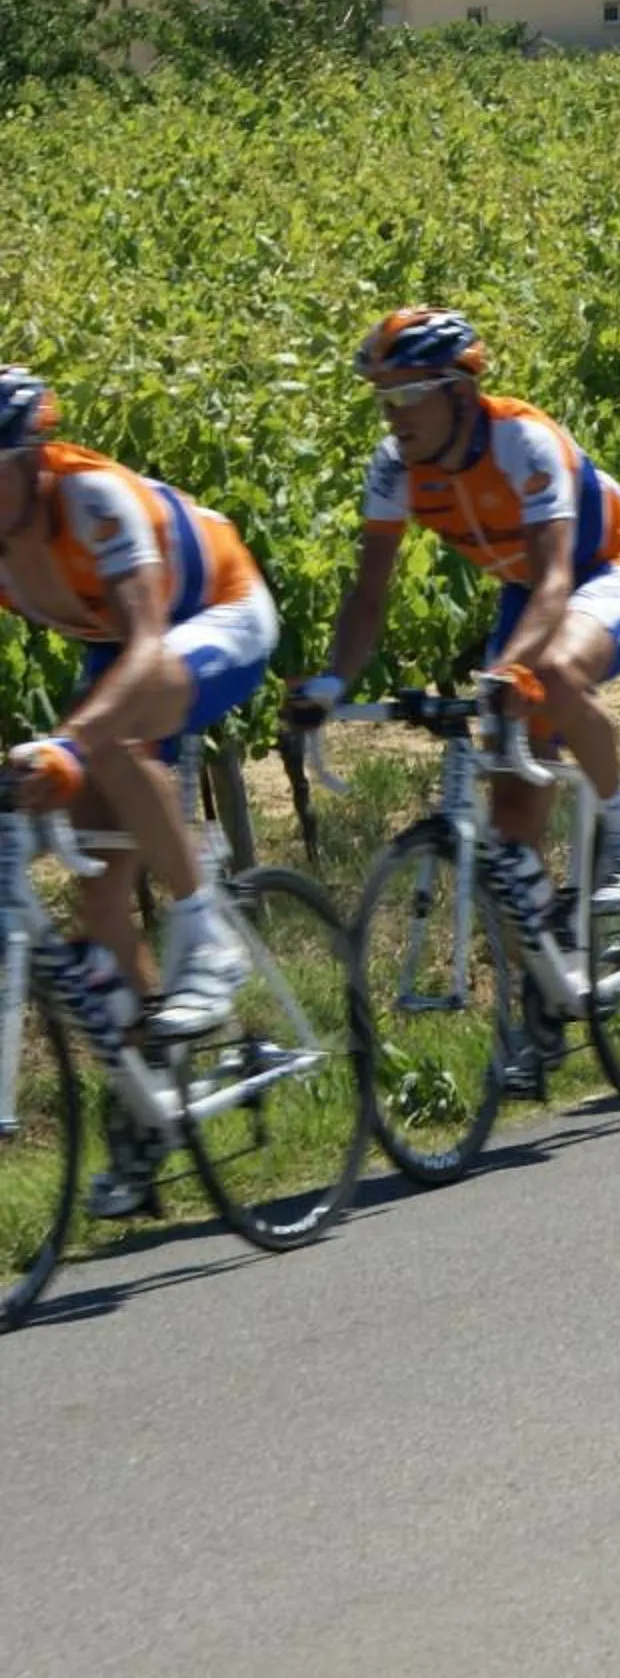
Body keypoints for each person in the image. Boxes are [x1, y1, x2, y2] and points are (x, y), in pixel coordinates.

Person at [290, 308, 620, 1053]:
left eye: (406, 396)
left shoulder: (522, 440)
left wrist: (509, 670)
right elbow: (368, 594)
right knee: (510, 824)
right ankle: (552, 989)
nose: (391, 414)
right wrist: (334, 682)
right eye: (382, 399)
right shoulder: (395, 467)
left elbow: (559, 579)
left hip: (605, 570)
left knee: (555, 673)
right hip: (525, 595)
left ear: (457, 395)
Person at [0, 373, 278, 1212]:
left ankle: (209, 935)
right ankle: (149, 1111)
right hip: (114, 647)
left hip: (214, 615)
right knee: (100, 899)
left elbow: (150, 646)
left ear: (32, 460)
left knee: (106, 741)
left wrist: (66, 745)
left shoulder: (91, 501)